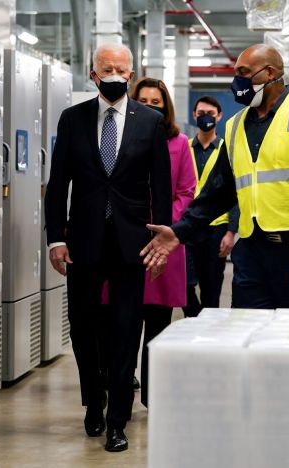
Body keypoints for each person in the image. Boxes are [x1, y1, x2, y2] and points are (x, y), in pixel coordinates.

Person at [141, 45, 289, 309]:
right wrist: (180, 232)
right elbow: (219, 190)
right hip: (252, 250)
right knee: (247, 336)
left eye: (243, 72)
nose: (237, 81)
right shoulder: (235, 125)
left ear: (270, 73)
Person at [44, 43, 172, 452]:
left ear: (131, 74)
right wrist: (56, 238)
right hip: (83, 241)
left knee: (124, 330)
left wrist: (160, 239)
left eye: (121, 68)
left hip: (132, 243)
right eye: (107, 68)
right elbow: (57, 184)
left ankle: (118, 418)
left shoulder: (149, 121)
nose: (115, 74)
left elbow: (162, 187)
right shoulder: (73, 119)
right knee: (82, 329)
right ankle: (93, 401)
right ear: (93, 74)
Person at [121, 77, 195, 407]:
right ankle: (119, 393)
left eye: (157, 102)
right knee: (123, 325)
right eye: (144, 101)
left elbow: (186, 192)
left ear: (165, 107)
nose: (151, 107)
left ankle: (153, 396)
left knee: (157, 325)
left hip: (163, 242)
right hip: (126, 239)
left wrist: (164, 227)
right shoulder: (119, 137)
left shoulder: (179, 143)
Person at [183, 96, 238, 317]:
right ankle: (195, 318)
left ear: (219, 117)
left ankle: (207, 336)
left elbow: (236, 193)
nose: (206, 117)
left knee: (212, 289)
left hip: (217, 228)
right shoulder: (184, 147)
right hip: (188, 225)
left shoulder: (229, 149)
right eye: (201, 113)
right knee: (184, 284)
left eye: (211, 114)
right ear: (194, 115)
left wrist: (231, 232)